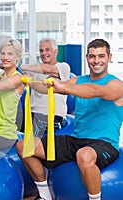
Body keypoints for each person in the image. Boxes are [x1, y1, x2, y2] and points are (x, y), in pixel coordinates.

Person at [16, 39, 123, 200]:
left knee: (84, 155)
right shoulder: (78, 80)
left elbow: (96, 91)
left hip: (104, 144)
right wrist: (28, 81)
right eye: (92, 56)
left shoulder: (116, 84)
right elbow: (48, 88)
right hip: (76, 141)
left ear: (109, 57)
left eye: (101, 56)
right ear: (86, 58)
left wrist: (62, 87)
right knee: (24, 145)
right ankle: (45, 195)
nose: (96, 61)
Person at [0, 39, 24, 150]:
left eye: (10, 54)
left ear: (18, 57)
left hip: (5, 136)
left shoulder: (19, 78)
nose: (5, 57)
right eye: (3, 53)